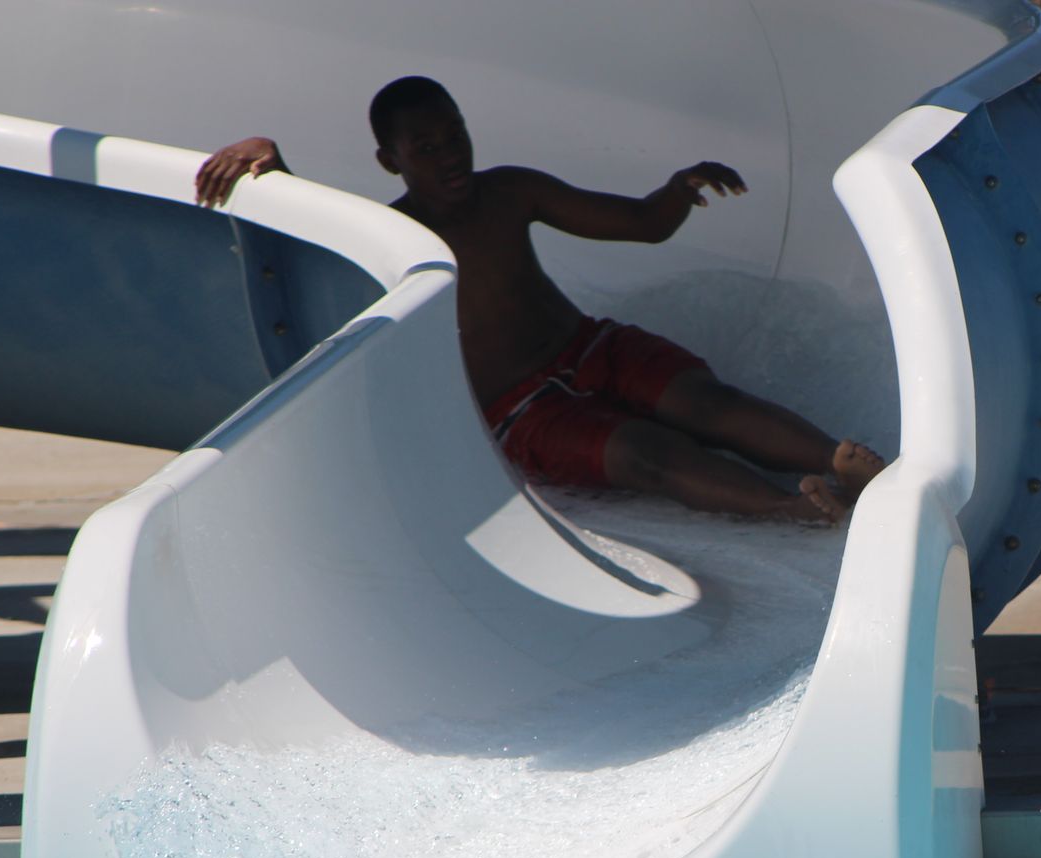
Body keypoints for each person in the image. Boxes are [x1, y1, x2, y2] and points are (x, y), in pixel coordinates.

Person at [195, 75, 883, 523]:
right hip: (519, 408)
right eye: (425, 147)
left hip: (591, 346)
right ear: (390, 161)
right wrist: (272, 162)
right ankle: (790, 512)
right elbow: (317, 244)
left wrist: (679, 190)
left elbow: (640, 224)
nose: (450, 155)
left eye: (455, 135)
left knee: (706, 404)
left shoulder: (508, 191)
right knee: (648, 453)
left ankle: (836, 461)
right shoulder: (395, 234)